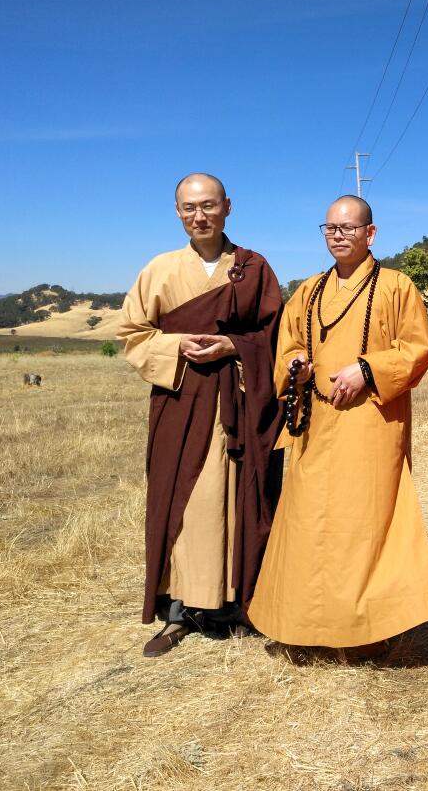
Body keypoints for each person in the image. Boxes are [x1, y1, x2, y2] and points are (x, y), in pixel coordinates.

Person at [246, 195, 428, 651]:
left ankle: (369, 631)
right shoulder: (310, 290)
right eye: (330, 228)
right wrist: (295, 363)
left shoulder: (396, 287)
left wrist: (367, 369)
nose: (338, 235)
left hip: (371, 424)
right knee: (308, 524)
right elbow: (289, 343)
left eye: (348, 228)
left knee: (366, 524)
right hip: (317, 425)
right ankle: (305, 627)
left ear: (370, 234)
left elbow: (416, 351)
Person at [119, 173, 284, 657]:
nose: (200, 215)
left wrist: (234, 345)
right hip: (180, 398)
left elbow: (277, 335)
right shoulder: (162, 269)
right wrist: (176, 344)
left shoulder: (254, 267)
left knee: (238, 496)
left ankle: (241, 602)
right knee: (184, 502)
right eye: (189, 208)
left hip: (238, 397)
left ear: (227, 207)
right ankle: (181, 610)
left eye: (209, 205)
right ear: (177, 212)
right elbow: (132, 332)